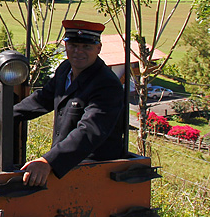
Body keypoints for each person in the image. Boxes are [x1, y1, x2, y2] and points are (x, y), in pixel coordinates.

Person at [13, 20, 127, 186]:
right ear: (65, 45)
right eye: (73, 45)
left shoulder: (106, 84)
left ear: (98, 48)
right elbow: (42, 99)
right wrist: (5, 116)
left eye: (86, 47)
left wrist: (48, 161)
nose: (78, 51)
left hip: (94, 170)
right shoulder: (65, 69)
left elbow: (89, 131)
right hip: (65, 165)